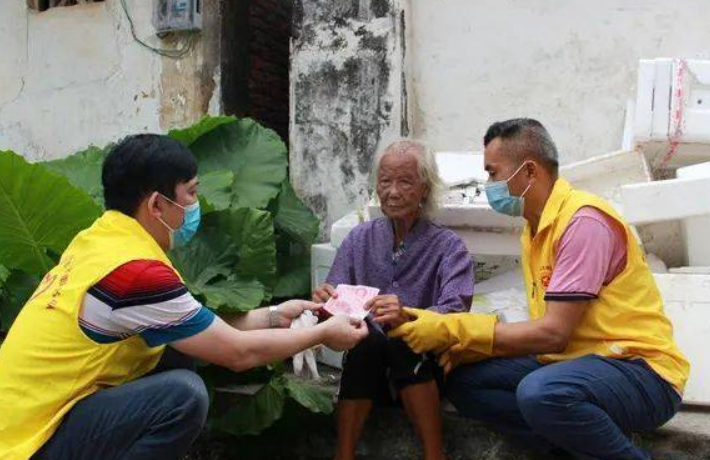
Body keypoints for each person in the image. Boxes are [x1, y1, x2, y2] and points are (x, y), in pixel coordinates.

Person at [0, 134, 368, 460]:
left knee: (179, 352)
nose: (195, 205)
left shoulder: (99, 242)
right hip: (30, 444)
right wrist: (323, 333)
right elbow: (238, 353)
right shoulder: (135, 272)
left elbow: (197, 327)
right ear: (157, 205)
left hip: (27, 422)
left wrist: (276, 314)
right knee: (183, 394)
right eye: (191, 193)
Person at [388, 119, 690, 460]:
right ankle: (575, 449)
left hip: (641, 373)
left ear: (529, 172)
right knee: (465, 381)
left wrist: (452, 329)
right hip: (578, 362)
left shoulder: (583, 223)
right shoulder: (534, 230)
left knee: (541, 392)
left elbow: (554, 334)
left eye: (493, 173)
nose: (489, 185)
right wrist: (471, 346)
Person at [313, 139, 475, 460]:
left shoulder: (448, 247)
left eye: (405, 181)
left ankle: (434, 455)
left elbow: (456, 312)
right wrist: (324, 304)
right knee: (367, 342)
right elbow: (332, 314)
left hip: (421, 374)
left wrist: (409, 317)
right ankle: (343, 455)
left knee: (402, 340)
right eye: (385, 181)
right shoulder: (360, 239)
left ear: (424, 188)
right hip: (368, 372)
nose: (393, 191)